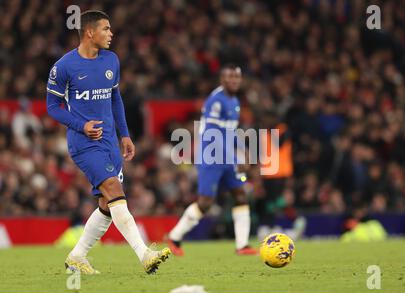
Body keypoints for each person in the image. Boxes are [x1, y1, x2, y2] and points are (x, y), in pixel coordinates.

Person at [46, 10, 170, 275]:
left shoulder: (112, 60)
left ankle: (77, 256)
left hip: (110, 143)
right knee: (114, 190)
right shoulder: (64, 66)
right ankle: (145, 254)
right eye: (106, 29)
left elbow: (116, 100)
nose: (111, 34)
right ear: (90, 32)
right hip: (83, 143)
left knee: (106, 203)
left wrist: (124, 135)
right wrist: (81, 125)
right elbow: (52, 107)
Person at [167, 64, 258, 256]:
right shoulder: (216, 101)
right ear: (222, 80)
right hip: (211, 156)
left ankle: (242, 245)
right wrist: (236, 157)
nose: (234, 81)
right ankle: (174, 237)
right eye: (230, 78)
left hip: (226, 157)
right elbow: (213, 133)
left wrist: (244, 151)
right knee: (205, 203)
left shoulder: (235, 101)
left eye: (237, 78)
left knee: (240, 195)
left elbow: (230, 132)